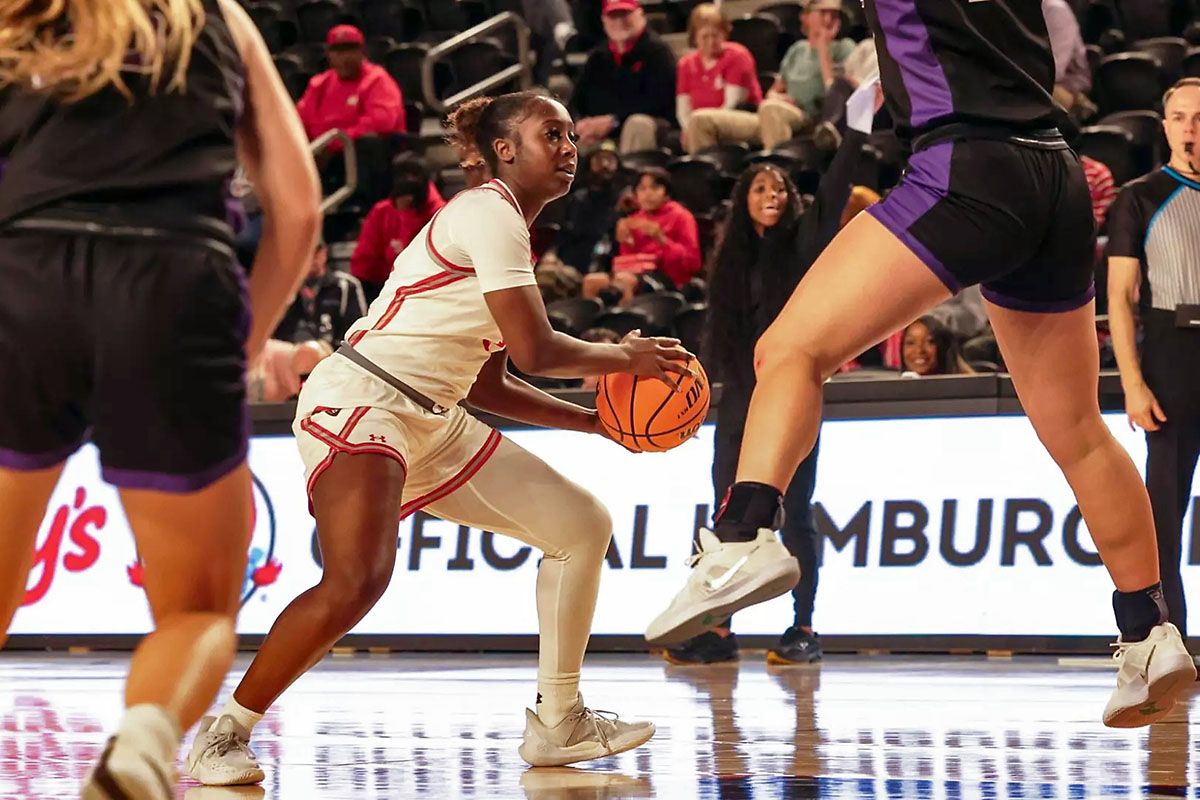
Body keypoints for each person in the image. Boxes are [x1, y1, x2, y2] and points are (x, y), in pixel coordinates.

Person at [646, 0, 1197, 728]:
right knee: (1078, 430)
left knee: (787, 349)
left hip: (966, 164)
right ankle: (1149, 633)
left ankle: (744, 532)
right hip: (1054, 174)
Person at [186, 89, 691, 786]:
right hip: (365, 399)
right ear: (506, 150)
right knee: (357, 580)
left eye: (573, 133)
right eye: (554, 133)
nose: (571, 146)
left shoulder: (507, 229)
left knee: (580, 524)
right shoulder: (488, 212)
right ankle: (224, 733)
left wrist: (594, 421)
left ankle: (559, 719)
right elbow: (536, 348)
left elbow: (487, 382)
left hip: (435, 414)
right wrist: (621, 358)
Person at [0, 0, 320, 797]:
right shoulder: (218, 16)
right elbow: (302, 207)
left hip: (25, 275)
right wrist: (240, 347)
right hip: (174, 280)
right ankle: (140, 747)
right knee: (198, 612)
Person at [664, 79, 882, 667]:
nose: (773, 194)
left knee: (798, 513)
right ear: (744, 200)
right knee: (725, 511)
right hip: (740, 398)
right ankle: (715, 630)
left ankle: (803, 628)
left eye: (780, 186)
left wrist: (856, 127)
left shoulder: (804, 242)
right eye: (760, 186)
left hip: (793, 395)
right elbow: (719, 337)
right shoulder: (731, 262)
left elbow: (834, 192)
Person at [1105, 78, 1200, 644]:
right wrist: (1133, 382)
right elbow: (1119, 296)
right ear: (1164, 127)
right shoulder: (1139, 196)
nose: (1192, 126)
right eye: (1182, 116)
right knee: (1163, 512)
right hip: (1172, 354)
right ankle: (1170, 639)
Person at [571, 0, 677, 154]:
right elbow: (577, 101)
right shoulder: (597, 57)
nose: (620, 22)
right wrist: (581, 122)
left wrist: (614, 121)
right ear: (604, 21)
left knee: (638, 125)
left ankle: (634, 176)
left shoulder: (658, 53)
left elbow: (660, 104)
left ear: (640, 14)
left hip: (647, 126)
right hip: (600, 132)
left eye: (625, 15)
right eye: (613, 16)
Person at [350, 154, 446, 303]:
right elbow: (362, 265)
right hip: (385, 291)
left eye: (414, 175)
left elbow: (427, 264)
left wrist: (406, 215)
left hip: (430, 293)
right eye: (403, 175)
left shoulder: (441, 214)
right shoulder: (381, 211)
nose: (408, 181)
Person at [296, 24, 405, 146]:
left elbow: (381, 123)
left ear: (362, 52)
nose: (345, 58)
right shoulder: (320, 84)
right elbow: (299, 120)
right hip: (320, 152)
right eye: (338, 51)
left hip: (360, 154)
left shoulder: (377, 80)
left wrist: (334, 144)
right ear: (329, 55)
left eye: (350, 50)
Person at [677, 4, 763, 155]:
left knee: (699, 121)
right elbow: (683, 108)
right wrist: (687, 127)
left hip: (741, 117)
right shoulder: (686, 64)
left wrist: (698, 124)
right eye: (705, 36)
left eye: (715, 35)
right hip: (699, 124)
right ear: (695, 37)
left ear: (724, 34)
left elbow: (732, 103)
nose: (711, 41)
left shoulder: (737, 56)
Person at [274, 242, 368, 347]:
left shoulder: (346, 286)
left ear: (324, 253)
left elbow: (357, 333)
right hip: (289, 354)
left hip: (333, 354)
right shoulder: (282, 288)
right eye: (305, 254)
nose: (311, 259)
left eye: (315, 253)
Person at [556, 146, 624, 272]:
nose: (605, 165)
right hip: (578, 256)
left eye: (610, 160)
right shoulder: (577, 198)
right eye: (599, 160)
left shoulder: (625, 200)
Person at [1043, 0, 1097, 124]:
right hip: (1036, 82)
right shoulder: (1010, 11)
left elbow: (1055, 71)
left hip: (1068, 88)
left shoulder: (1054, 9)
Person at [898, 316, 974, 376]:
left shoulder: (969, 389)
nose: (919, 350)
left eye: (930, 342)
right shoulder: (894, 391)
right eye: (910, 343)